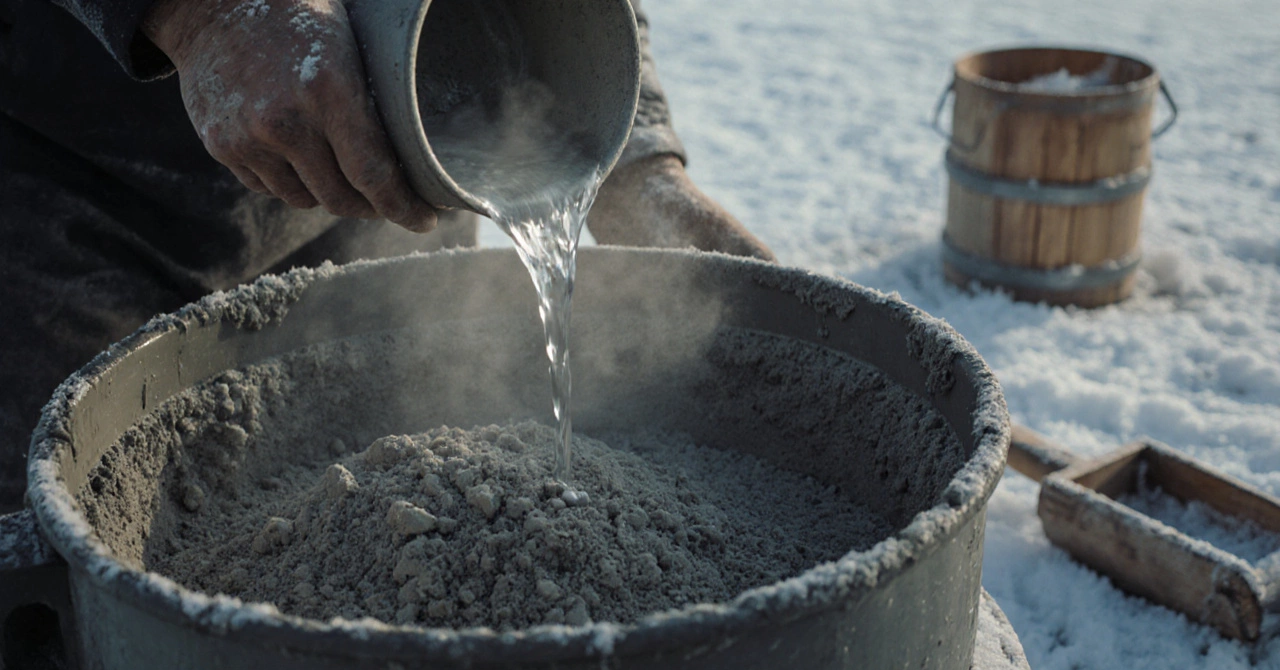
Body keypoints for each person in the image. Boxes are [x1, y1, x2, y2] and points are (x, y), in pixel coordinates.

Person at [0, 0, 775, 515]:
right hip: (64, 185)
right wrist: (199, 14)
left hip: (400, 138)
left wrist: (630, 158)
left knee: (412, 491)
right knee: (66, 539)